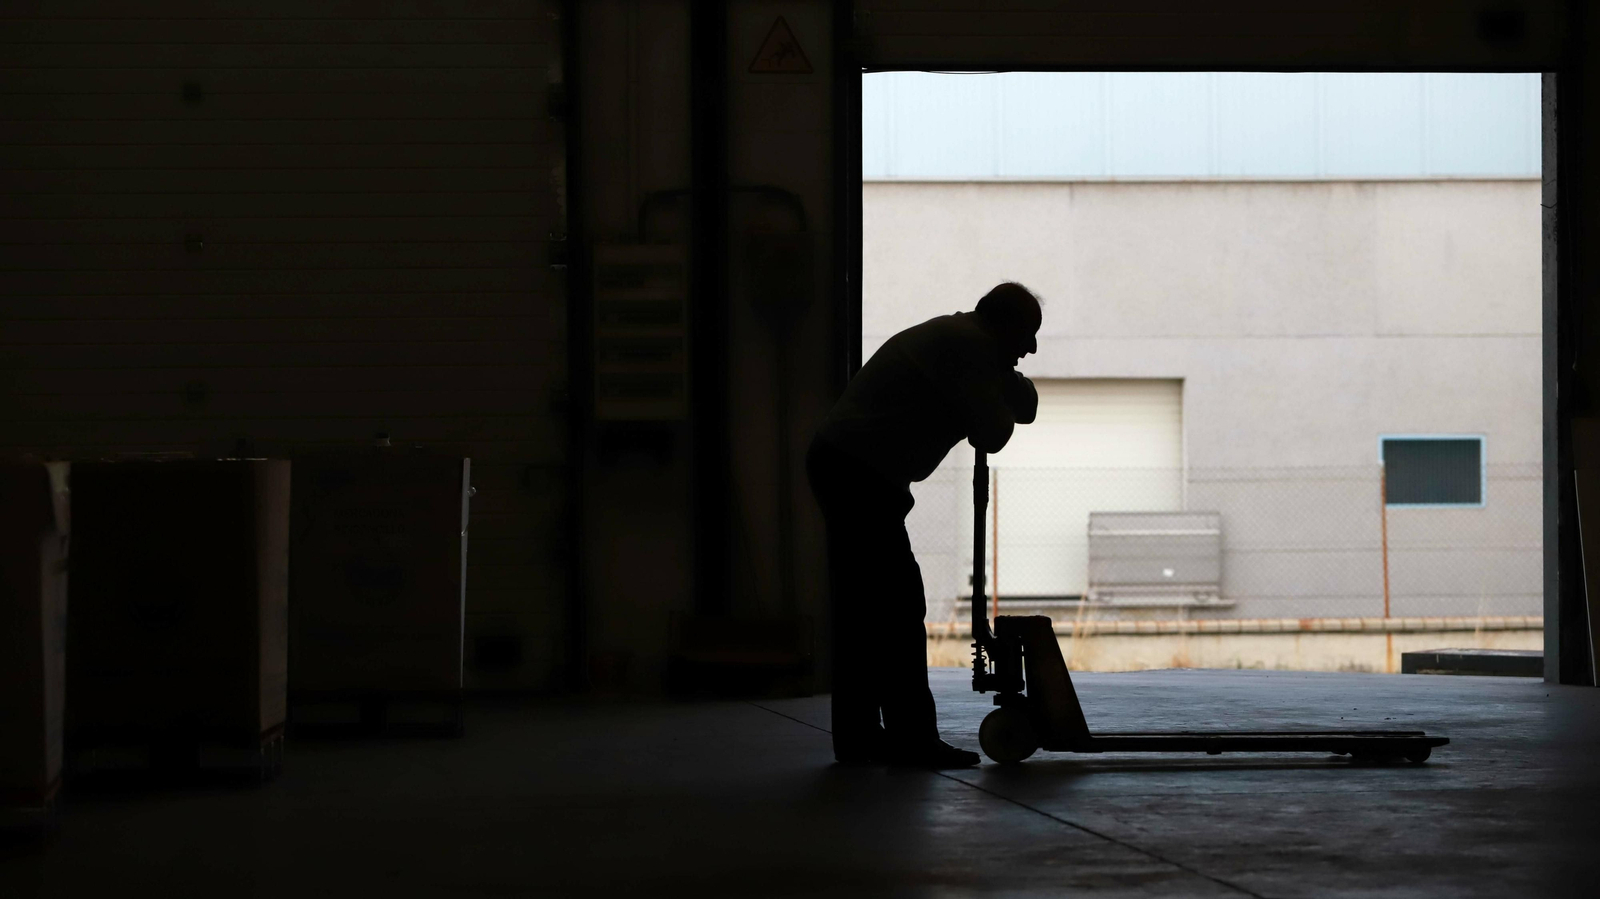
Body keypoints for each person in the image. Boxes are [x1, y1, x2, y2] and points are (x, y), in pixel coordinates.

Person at [807, 282, 1041, 768]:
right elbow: (995, 432)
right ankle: (909, 740)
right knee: (895, 607)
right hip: (858, 473)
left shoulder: (967, 341)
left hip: (850, 469)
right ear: (1003, 325)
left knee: (865, 611)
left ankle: (861, 741)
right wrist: (1004, 380)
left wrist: (1007, 379)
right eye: (1028, 335)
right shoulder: (970, 346)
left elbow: (1027, 408)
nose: (1032, 348)